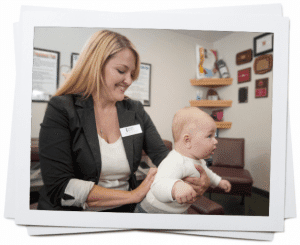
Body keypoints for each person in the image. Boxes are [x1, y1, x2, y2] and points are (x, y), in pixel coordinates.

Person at [37, 30, 210, 212]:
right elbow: (60, 186)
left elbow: (163, 156)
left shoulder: (134, 110)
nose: (129, 81)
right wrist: (132, 195)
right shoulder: (62, 108)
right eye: (121, 71)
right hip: (74, 214)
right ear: (96, 65)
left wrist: (194, 175)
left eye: (132, 74)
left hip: (124, 211)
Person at [134, 107, 231, 214]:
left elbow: (208, 174)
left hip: (178, 210)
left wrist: (219, 181)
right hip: (153, 211)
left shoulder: (199, 161)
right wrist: (175, 187)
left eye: (215, 136)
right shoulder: (175, 161)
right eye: (209, 136)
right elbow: (158, 186)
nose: (215, 141)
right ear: (187, 141)